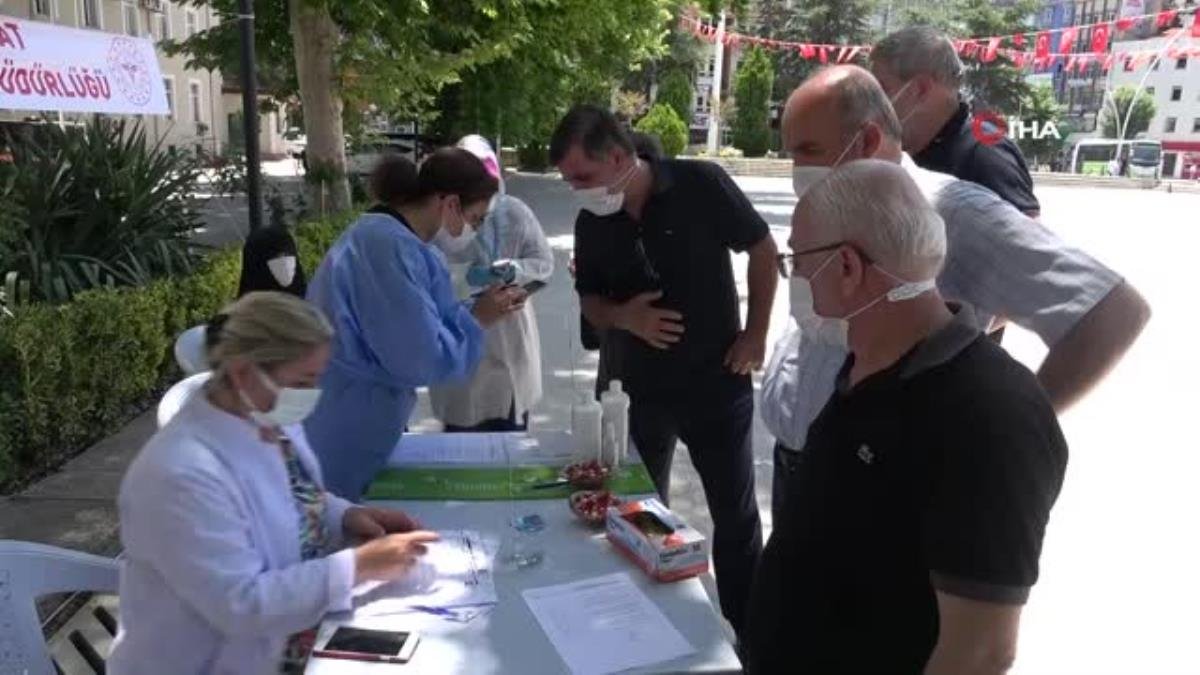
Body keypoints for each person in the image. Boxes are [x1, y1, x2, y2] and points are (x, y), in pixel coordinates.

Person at [763, 65, 1150, 524]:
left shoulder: (950, 210)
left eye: (808, 152)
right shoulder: (835, 204)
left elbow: (1113, 312)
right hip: (801, 466)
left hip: (873, 488)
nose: (797, 171)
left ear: (865, 141)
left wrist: (1012, 430)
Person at [748, 160, 1068, 674]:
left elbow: (980, 653)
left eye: (799, 259)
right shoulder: (868, 359)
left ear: (848, 266)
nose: (798, 274)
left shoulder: (990, 414)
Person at [109, 292, 440, 674]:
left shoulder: (267, 414)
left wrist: (346, 516)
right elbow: (242, 605)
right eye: (303, 380)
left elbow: (293, 496)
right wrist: (358, 566)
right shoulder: (178, 474)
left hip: (291, 640)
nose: (310, 394)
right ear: (243, 372)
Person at [551, 105, 777, 639]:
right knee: (640, 512)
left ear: (617, 157)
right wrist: (624, 317)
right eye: (567, 181)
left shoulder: (701, 183)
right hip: (637, 392)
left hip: (716, 384)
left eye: (582, 176)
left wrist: (756, 334)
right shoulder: (593, 221)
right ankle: (656, 626)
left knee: (736, 516)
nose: (576, 190)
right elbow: (590, 304)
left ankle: (749, 631)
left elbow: (763, 249)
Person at [304, 149, 526, 498]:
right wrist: (479, 318)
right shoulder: (387, 247)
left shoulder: (395, 241)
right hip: (346, 425)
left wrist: (475, 310)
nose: (474, 231)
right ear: (450, 204)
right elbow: (419, 358)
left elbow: (424, 320)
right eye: (476, 219)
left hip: (362, 414)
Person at [429, 135, 554, 432]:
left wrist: (517, 274)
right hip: (460, 331)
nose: (478, 220)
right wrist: (465, 282)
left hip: (508, 332)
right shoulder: (437, 222)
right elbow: (429, 279)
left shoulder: (516, 212)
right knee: (462, 433)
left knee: (508, 429)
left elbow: (543, 264)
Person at [870, 26, 1042, 217]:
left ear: (920, 89)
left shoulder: (987, 152)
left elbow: (1028, 240)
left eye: (881, 90)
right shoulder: (903, 153)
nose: (872, 103)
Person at [238, 226, 307, 298]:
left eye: (288, 254)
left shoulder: (311, 300)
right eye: (276, 256)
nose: (285, 261)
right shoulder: (309, 303)